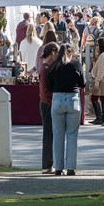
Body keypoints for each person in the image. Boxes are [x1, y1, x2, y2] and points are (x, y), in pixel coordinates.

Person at [46, 43, 84, 175]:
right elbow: (82, 83)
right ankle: (71, 167)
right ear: (70, 53)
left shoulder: (52, 67)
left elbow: (49, 86)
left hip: (57, 99)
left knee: (58, 135)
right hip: (72, 98)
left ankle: (58, 167)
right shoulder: (76, 65)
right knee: (72, 135)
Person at [37, 42, 58, 174]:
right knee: (48, 135)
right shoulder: (45, 69)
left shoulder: (46, 67)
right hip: (47, 104)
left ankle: (49, 163)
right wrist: (51, 100)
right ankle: (47, 164)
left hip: (47, 103)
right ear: (53, 53)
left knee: (51, 134)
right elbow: (45, 91)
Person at [88, 37, 104, 125]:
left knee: (95, 98)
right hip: (103, 80)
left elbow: (101, 70)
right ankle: (102, 117)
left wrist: (97, 81)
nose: (96, 47)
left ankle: (100, 117)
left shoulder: (103, 56)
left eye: (97, 45)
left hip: (101, 80)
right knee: (102, 98)